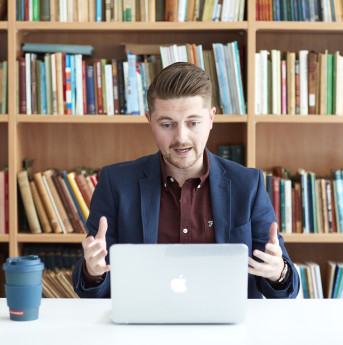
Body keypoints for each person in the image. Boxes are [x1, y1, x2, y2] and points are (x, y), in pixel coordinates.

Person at [72, 62, 300, 299]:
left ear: (211, 118)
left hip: (227, 332)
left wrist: (278, 272)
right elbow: (91, 289)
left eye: (193, 123)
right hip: (142, 329)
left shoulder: (248, 184)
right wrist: (93, 272)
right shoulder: (114, 183)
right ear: (150, 121)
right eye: (167, 124)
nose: (181, 137)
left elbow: (286, 289)